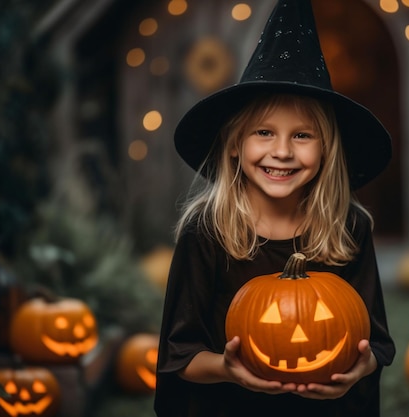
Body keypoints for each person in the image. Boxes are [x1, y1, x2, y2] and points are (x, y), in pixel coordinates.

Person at [154, 1, 395, 416]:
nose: (281, 152)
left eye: (302, 135)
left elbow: (374, 344)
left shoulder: (348, 226)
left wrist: (356, 371)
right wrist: (229, 370)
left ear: (327, 150)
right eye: (264, 132)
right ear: (234, 144)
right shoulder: (207, 230)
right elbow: (179, 356)